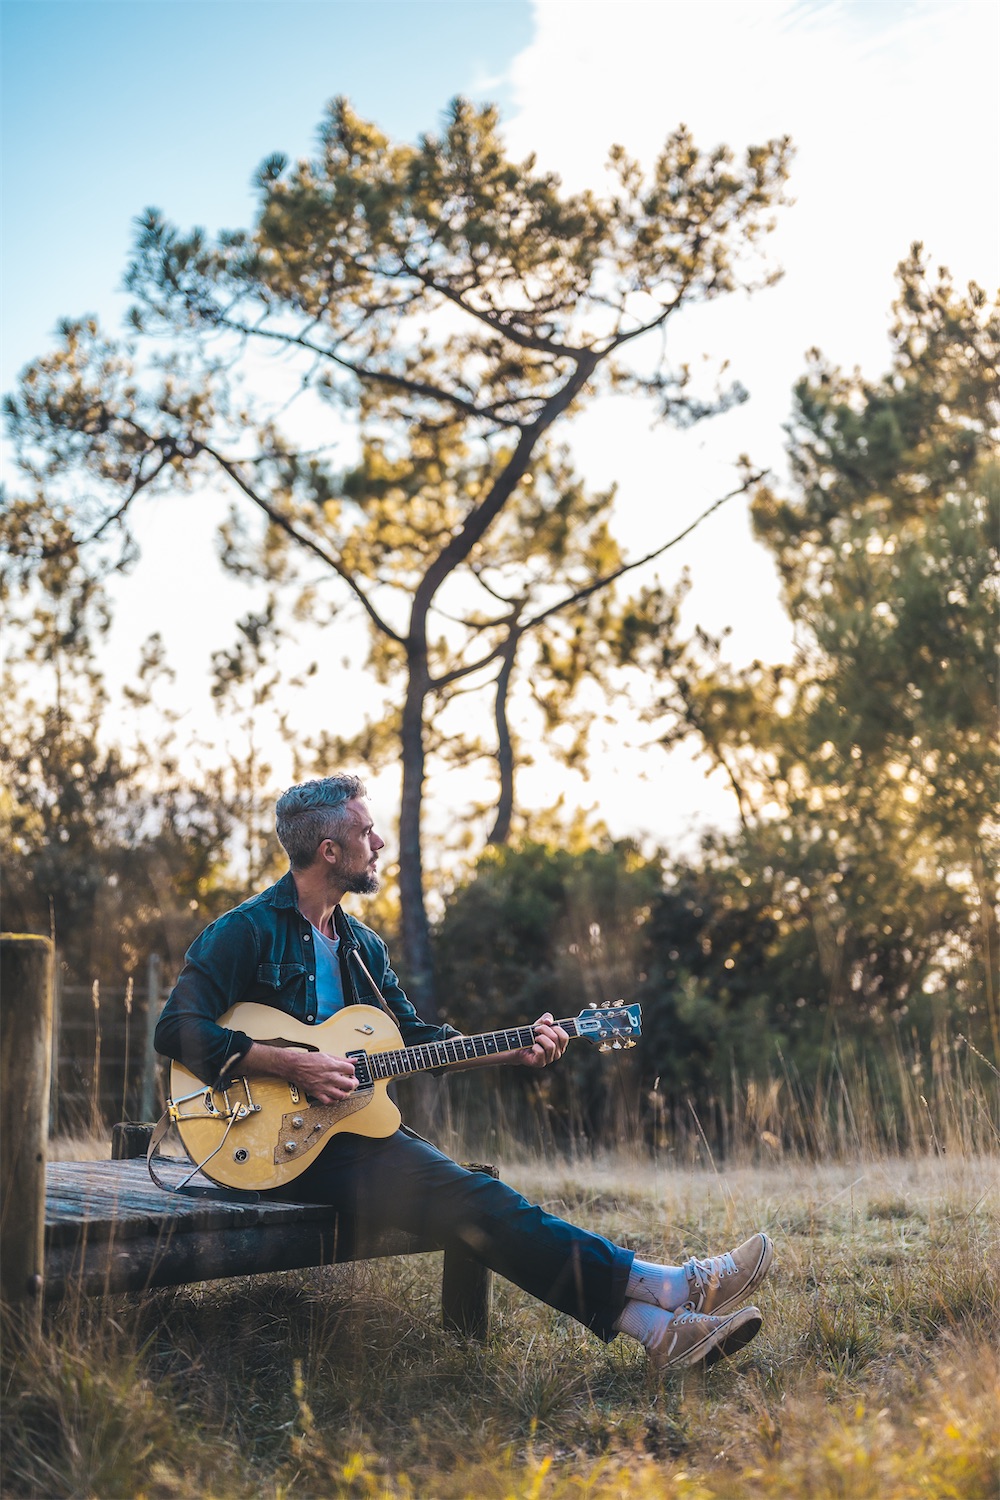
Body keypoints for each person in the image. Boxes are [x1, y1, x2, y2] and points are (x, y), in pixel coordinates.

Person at [155, 774, 773, 1371]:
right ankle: (671, 1285)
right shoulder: (244, 932)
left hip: (341, 1137)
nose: (379, 844)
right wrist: (290, 1061)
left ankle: (658, 1331)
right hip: (264, 1145)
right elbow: (175, 1031)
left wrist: (515, 1048)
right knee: (475, 1197)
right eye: (368, 832)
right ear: (329, 850)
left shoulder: (361, 947)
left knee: (473, 1203)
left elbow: (418, 1041)